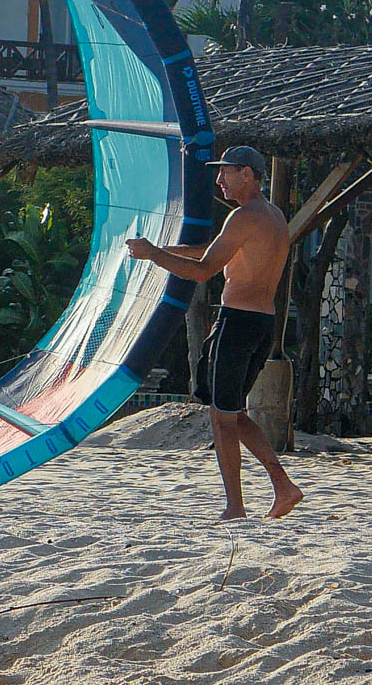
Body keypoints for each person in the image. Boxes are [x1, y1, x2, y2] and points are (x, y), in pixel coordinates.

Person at [126, 145, 304, 521]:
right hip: (262, 324)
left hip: (237, 322)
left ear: (249, 175)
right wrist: (158, 249)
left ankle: (235, 507)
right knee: (233, 412)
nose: (219, 179)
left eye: (227, 171)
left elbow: (204, 270)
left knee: (221, 418)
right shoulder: (271, 215)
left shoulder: (243, 216)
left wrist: (155, 256)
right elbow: (215, 251)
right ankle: (283, 487)